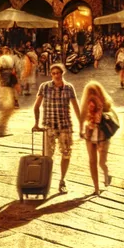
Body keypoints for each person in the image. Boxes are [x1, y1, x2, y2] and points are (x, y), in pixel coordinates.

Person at [32, 64, 81, 194]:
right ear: (51, 74)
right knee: (48, 156)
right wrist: (37, 123)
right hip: (49, 126)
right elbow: (36, 106)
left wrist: (82, 125)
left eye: (58, 73)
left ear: (62, 73)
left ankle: (62, 180)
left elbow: (76, 108)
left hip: (65, 126)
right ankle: (45, 181)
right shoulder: (45, 87)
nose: (56, 75)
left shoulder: (69, 88)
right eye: (53, 73)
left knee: (66, 154)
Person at [79, 81, 117, 196]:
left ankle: (106, 174)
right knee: (92, 161)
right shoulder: (86, 103)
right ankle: (96, 188)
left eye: (94, 91)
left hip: (102, 133)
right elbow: (82, 116)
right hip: (90, 132)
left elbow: (111, 115)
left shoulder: (105, 103)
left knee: (102, 162)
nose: (91, 94)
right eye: (90, 91)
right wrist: (81, 129)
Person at [0, 47, 19, 135]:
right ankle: (0, 125)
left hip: (3, 88)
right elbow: (13, 79)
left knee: (8, 108)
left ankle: (1, 125)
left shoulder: (1, 70)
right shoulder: (9, 71)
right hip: (6, 89)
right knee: (8, 108)